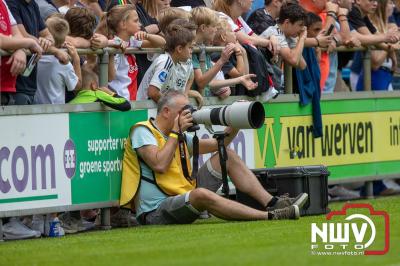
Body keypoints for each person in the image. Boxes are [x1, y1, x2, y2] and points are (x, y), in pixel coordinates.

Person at [120, 91, 309, 225]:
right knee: (200, 194)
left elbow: (221, 144)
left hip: (182, 196)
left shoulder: (177, 136)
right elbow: (159, 164)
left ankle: (274, 203)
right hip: (156, 211)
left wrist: (237, 120)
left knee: (227, 155)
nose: (189, 115)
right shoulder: (142, 130)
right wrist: (177, 132)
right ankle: (271, 216)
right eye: (183, 111)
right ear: (166, 112)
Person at [6, 0, 70, 105]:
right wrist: (54, 50)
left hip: (29, 84)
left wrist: (47, 41)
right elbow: (22, 36)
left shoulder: (33, 4)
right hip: (16, 85)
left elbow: (48, 36)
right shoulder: (11, 3)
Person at [191, 7, 258, 97]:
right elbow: (201, 82)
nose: (216, 30)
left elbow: (209, 83)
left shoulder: (203, 48)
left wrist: (240, 79)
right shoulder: (191, 49)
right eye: (214, 26)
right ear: (203, 27)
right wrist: (222, 60)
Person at [106, 4, 166, 101]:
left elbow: (162, 43)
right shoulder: (115, 44)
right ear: (123, 24)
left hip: (132, 99)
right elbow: (110, 77)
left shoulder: (132, 40)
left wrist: (147, 36)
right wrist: (112, 54)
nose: (140, 24)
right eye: (136, 21)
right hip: (119, 100)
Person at [136, 19, 203, 106]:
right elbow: (153, 93)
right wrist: (172, 107)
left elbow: (189, 77)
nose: (192, 51)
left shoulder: (176, 62)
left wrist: (187, 94)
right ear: (179, 49)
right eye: (190, 47)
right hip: (144, 108)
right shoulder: (165, 62)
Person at [34, 17, 82, 104]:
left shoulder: (33, 55)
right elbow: (77, 85)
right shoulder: (62, 62)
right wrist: (76, 59)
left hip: (33, 108)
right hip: (56, 111)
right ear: (64, 39)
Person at [260, 4, 307, 70]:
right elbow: (294, 60)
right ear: (287, 22)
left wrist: (298, 41)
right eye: (300, 25)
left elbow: (302, 65)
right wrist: (302, 38)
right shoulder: (275, 33)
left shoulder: (289, 35)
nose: (303, 29)